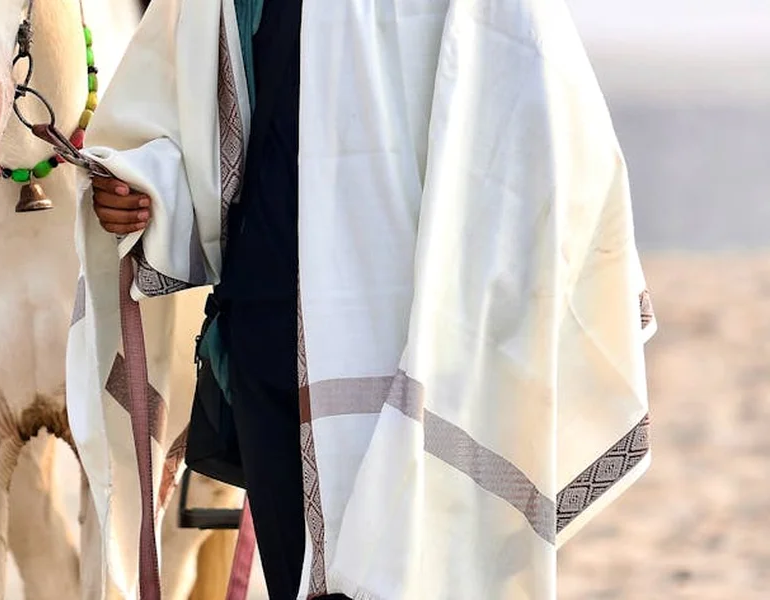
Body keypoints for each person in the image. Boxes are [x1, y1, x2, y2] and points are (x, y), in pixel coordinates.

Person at [69, 0, 657, 598]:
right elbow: (208, 109)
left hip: (422, 348)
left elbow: (539, 123)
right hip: (266, 334)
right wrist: (145, 189)